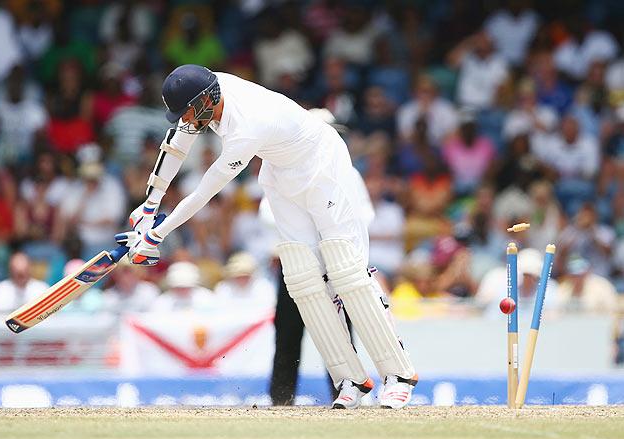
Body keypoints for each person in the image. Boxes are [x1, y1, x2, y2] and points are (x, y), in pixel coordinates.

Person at [114, 65, 417, 409]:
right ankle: (350, 379)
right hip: (280, 172)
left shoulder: (247, 126)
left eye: (188, 112)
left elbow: (204, 192)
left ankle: (398, 375)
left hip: (323, 166)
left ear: (204, 102)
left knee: (347, 271)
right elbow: (176, 147)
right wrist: (149, 206)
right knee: (303, 279)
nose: (186, 120)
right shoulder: (207, 90)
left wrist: (155, 235)